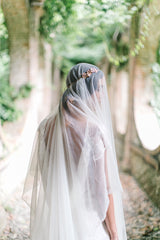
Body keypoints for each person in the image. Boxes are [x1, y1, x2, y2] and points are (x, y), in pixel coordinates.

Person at [22, 63, 127, 240]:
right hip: (87, 222)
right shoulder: (95, 130)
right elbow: (103, 190)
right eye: (100, 88)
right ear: (86, 90)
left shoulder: (45, 127)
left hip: (56, 221)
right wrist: (114, 232)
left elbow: (47, 176)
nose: (103, 95)